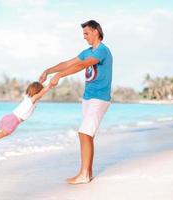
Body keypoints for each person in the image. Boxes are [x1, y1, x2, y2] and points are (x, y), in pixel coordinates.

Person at [39, 20, 112, 184]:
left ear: (95, 31)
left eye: (86, 33)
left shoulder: (102, 51)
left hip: (99, 99)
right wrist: (48, 71)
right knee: (87, 135)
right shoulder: (87, 51)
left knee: (84, 133)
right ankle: (87, 173)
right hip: (88, 98)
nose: (84, 37)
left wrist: (59, 76)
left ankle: (84, 175)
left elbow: (82, 65)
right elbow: (69, 63)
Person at [0, 82, 51, 151]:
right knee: (4, 133)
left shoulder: (27, 97)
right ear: (37, 91)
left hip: (11, 116)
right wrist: (50, 85)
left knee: (0, 131)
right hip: (15, 119)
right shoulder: (33, 99)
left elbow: (36, 88)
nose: (41, 95)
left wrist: (41, 82)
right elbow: (42, 92)